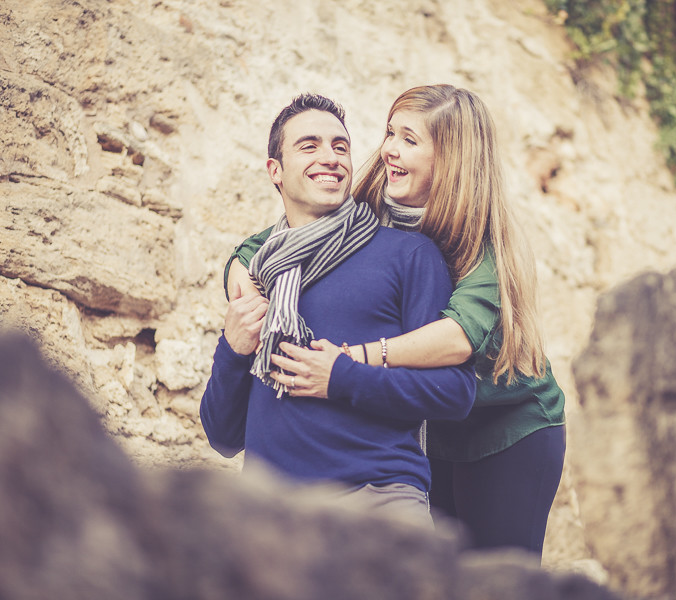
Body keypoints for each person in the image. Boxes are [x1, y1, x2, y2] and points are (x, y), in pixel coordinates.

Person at [228, 85, 566, 555]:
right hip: (435, 426)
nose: (388, 148)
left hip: (503, 425)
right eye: (390, 132)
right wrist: (242, 292)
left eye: (408, 139)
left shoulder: (485, 244)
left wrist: (350, 360)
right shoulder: (372, 204)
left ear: (451, 159)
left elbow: (456, 339)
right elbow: (274, 242)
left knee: (499, 578)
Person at [200, 93, 476, 527]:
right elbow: (223, 436)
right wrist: (233, 349)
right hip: (270, 513)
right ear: (276, 171)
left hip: (378, 502)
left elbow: (455, 394)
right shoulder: (260, 279)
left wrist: (342, 378)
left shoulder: (408, 255)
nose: (329, 157)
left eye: (340, 147)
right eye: (309, 146)